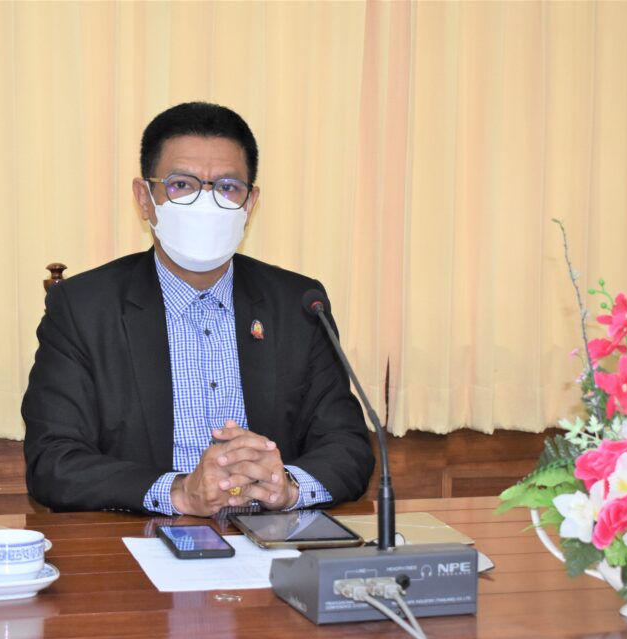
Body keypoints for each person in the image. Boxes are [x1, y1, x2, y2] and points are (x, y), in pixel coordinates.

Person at [22, 101, 373, 517]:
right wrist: (179, 493)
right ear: (145, 198)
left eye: (228, 187)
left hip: (272, 540)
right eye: (181, 185)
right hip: (140, 537)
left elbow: (348, 446)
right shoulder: (83, 308)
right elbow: (53, 461)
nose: (206, 204)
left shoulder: (297, 304)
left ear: (250, 203)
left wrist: (287, 487)